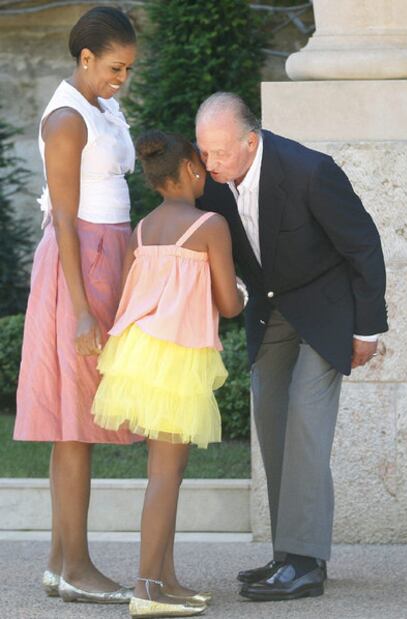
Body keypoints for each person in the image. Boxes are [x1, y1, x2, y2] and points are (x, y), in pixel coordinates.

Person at [195, 92, 388, 602]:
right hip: (271, 308)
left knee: (306, 416)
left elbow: (363, 244)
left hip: (327, 309)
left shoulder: (309, 171)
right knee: (273, 417)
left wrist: (367, 330)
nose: (210, 164)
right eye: (204, 152)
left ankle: (304, 564)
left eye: (219, 153)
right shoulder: (212, 184)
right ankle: (288, 554)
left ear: (250, 141)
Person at [13, 7, 139, 604]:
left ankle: (60, 563)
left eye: (129, 70)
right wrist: (84, 308)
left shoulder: (101, 105)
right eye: (115, 68)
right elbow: (64, 216)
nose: (122, 79)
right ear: (85, 58)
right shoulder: (66, 117)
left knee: (76, 422)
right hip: (79, 263)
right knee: (75, 424)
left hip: (105, 255)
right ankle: (77, 568)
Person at [92, 129, 244, 618]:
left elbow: (129, 294)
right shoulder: (209, 225)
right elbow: (228, 304)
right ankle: (146, 589)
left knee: (170, 472)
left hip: (138, 351)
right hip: (176, 355)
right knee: (164, 473)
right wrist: (241, 289)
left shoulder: (142, 228)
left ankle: (168, 579)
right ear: (191, 170)